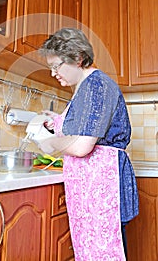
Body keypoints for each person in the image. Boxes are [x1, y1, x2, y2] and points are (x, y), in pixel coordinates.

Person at [37, 27, 139, 261]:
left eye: (57, 66)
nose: (53, 74)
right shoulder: (84, 89)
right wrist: (55, 123)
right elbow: (82, 127)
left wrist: (50, 142)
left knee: (105, 252)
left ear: (79, 58)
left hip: (103, 186)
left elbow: (82, 146)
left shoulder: (97, 86)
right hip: (91, 187)